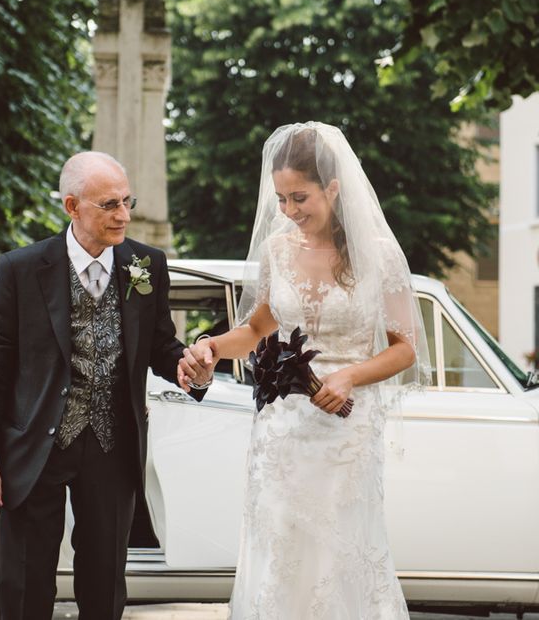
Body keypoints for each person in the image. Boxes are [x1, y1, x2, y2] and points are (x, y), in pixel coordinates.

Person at [180, 122, 431, 619]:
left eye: (301, 197)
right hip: (283, 434)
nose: (290, 212)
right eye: (282, 199)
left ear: (333, 189)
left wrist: (350, 375)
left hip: (347, 428)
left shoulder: (378, 256)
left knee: (340, 551)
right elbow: (255, 330)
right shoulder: (278, 251)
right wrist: (210, 347)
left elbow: (406, 350)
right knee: (281, 551)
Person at [0, 151, 211, 620]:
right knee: (25, 584)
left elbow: (161, 345)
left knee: (104, 581)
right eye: (109, 204)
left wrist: (186, 365)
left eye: (126, 201)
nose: (124, 215)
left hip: (111, 447)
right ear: (72, 206)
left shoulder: (146, 264)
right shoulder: (21, 268)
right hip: (35, 445)